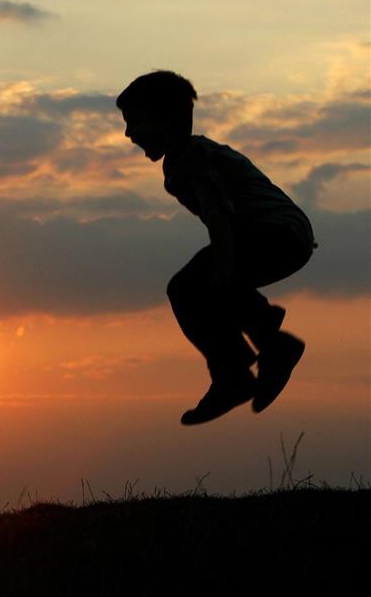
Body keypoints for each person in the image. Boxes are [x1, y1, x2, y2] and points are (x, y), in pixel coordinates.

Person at [117, 71, 315, 425]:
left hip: (273, 233)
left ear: (168, 121)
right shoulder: (190, 157)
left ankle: (239, 372)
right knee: (208, 287)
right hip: (285, 234)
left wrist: (225, 266)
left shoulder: (191, 160)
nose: (128, 133)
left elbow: (218, 213)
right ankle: (262, 350)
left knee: (188, 287)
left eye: (135, 122)